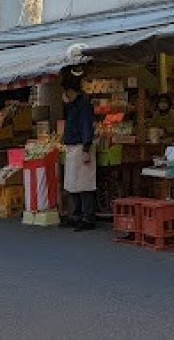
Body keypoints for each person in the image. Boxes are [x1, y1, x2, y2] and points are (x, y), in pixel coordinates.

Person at [61, 75, 97, 231]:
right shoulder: (73, 105)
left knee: (84, 184)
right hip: (72, 147)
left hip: (81, 146)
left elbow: (85, 127)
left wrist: (86, 148)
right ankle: (75, 215)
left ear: (70, 90)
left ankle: (87, 217)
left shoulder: (83, 105)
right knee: (73, 183)